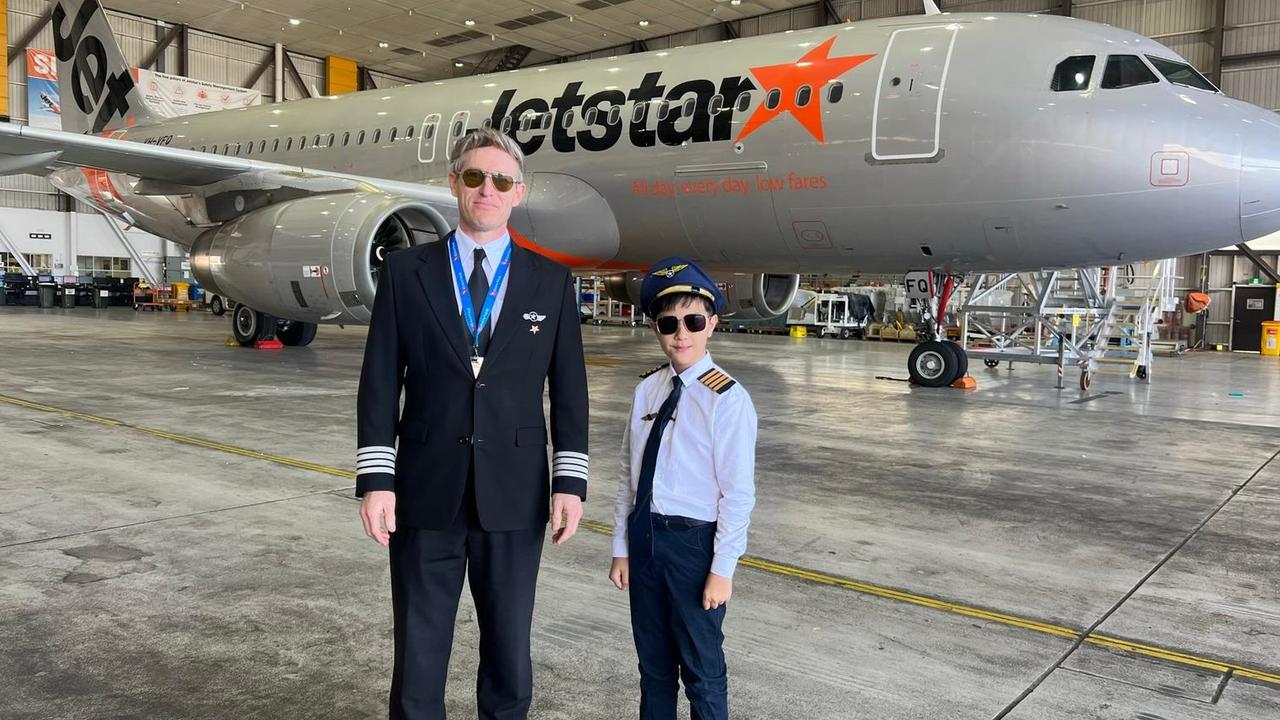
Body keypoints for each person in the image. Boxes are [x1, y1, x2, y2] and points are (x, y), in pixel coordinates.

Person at [355, 127, 589, 720]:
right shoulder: (406, 274)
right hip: (423, 490)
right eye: (476, 177)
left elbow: (569, 393)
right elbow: (381, 381)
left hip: (514, 495)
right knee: (419, 652)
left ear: (518, 193)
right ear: (454, 183)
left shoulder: (552, 281)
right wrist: (376, 480)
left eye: (501, 181)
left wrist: (570, 483)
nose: (488, 189)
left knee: (510, 651)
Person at [609, 258, 758, 720]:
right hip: (646, 540)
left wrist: (723, 568)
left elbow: (737, 494)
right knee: (653, 668)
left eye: (694, 321)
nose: (681, 334)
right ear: (656, 326)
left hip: (695, 547)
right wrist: (621, 547)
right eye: (669, 323)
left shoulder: (727, 399)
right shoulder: (648, 390)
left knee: (702, 671)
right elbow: (628, 474)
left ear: (711, 324)